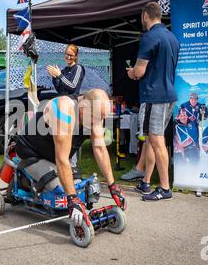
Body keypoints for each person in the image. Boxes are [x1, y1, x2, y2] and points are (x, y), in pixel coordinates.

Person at [15, 89, 126, 227]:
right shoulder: (63, 110)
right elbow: (62, 159)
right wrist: (73, 200)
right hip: (32, 153)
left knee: (80, 187)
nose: (98, 123)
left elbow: (100, 149)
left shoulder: (93, 113)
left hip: (55, 157)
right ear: (83, 108)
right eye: (96, 118)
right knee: (61, 192)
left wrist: (112, 185)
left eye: (102, 118)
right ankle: (26, 182)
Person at [126, 2, 180, 201]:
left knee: (156, 140)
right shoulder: (172, 37)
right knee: (150, 139)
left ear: (145, 16)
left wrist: (132, 73)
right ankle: (146, 182)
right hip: (168, 95)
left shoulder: (149, 37)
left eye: (142, 17)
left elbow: (139, 71)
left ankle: (165, 188)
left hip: (153, 96)